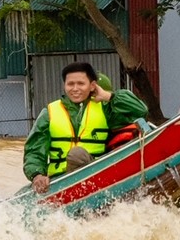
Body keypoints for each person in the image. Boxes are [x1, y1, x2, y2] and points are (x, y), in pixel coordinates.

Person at [24, 61, 148, 192]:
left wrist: (108, 96)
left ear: (92, 85)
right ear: (64, 85)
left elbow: (140, 110)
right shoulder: (49, 112)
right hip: (58, 180)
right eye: (70, 84)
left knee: (77, 154)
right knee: (75, 154)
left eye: (81, 84)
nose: (75, 89)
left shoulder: (105, 109)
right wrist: (37, 174)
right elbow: (34, 150)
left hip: (96, 175)